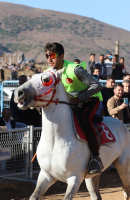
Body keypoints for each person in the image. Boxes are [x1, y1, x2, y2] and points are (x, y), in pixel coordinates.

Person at [44, 42, 103, 174]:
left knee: (84, 119)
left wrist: (79, 98)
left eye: (52, 55)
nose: (49, 59)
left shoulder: (75, 69)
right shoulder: (48, 73)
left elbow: (97, 86)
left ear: (62, 56)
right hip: (70, 104)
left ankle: (96, 158)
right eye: (47, 55)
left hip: (90, 100)